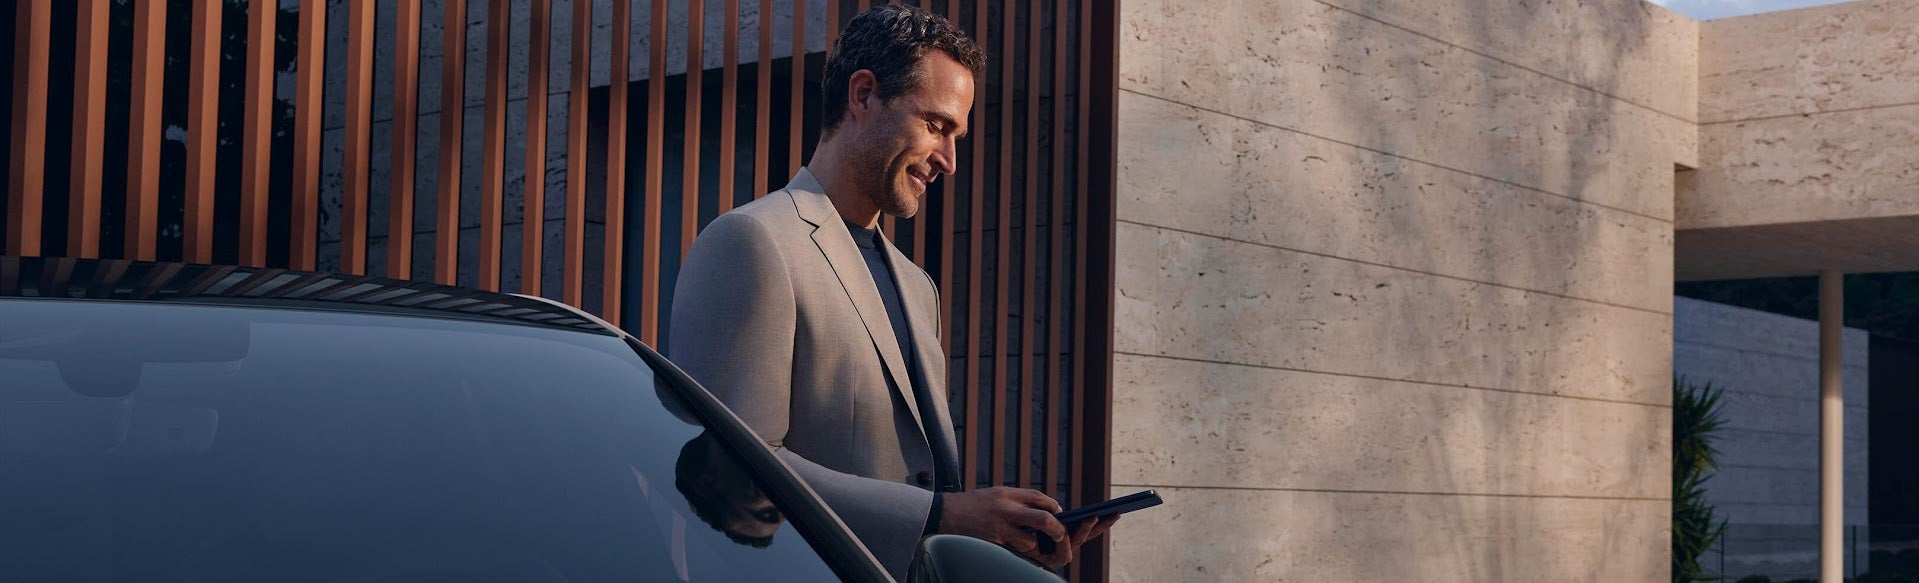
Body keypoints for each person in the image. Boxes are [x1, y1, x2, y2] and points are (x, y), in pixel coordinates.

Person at [668, 5, 1113, 578]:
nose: (950, 161)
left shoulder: (916, 284)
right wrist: (944, 514)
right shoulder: (753, 242)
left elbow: (913, 497)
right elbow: (729, 474)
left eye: (957, 135)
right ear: (863, 95)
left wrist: (997, 534)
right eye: (937, 125)